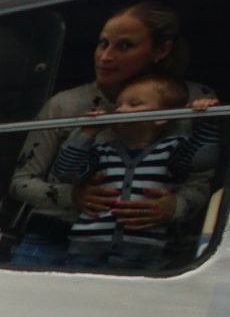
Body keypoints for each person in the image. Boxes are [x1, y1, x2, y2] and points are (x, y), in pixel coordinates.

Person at [6, 1, 217, 266]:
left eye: (125, 46)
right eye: (102, 44)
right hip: (55, 239)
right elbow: (21, 181)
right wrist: (73, 196)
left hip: (147, 245)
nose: (105, 57)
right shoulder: (66, 104)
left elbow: (204, 177)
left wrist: (176, 206)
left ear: (161, 50)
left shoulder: (191, 101)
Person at [51, 74, 199, 270]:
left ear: (161, 117)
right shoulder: (102, 151)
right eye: (118, 105)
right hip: (86, 252)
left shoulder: (172, 149)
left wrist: (204, 118)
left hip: (144, 254)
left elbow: (201, 160)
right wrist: (86, 132)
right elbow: (65, 172)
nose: (120, 110)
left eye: (134, 104)